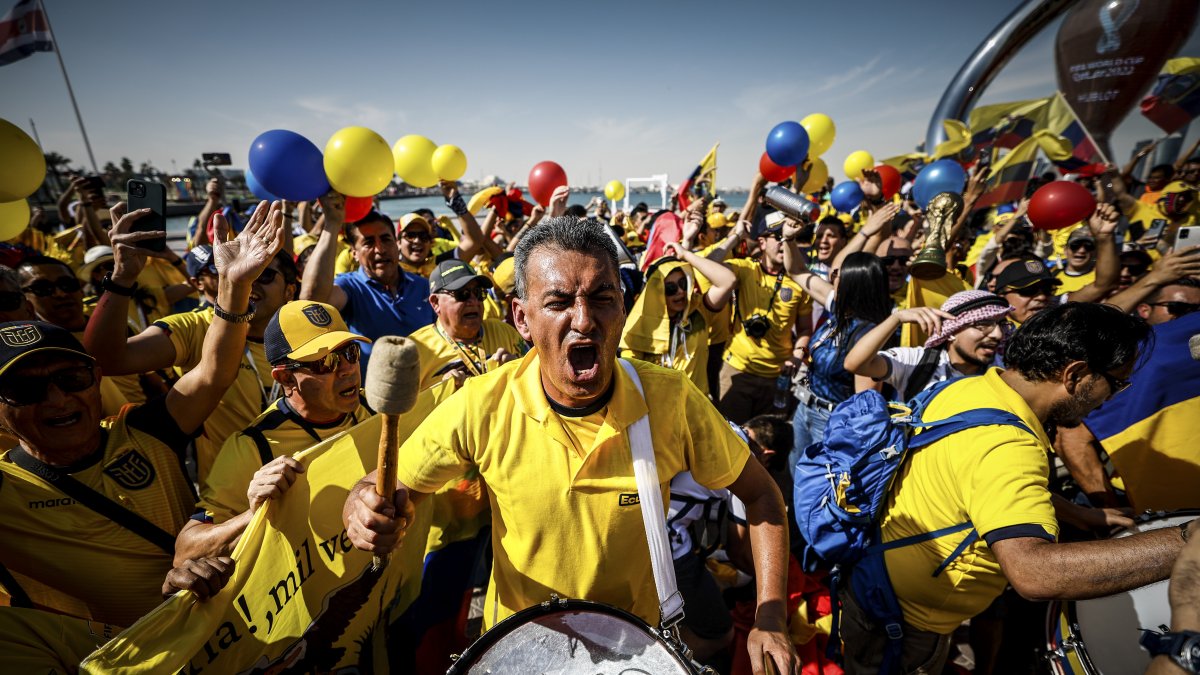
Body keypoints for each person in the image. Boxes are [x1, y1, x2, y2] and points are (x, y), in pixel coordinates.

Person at [343, 216, 798, 672]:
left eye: (602, 298)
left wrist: (772, 614)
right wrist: (363, 510)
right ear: (521, 318)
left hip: (633, 653)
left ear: (622, 306)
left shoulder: (672, 400)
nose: (585, 320)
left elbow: (761, 496)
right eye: (559, 302)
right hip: (518, 655)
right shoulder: (482, 405)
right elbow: (384, 487)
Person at [840, 302, 1196, 674]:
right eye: (1117, 382)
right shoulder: (1010, 444)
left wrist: (1080, 513)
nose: (1112, 397)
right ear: (1075, 374)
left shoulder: (968, 389)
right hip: (906, 628)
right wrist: (1187, 541)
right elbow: (1034, 573)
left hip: (874, 583)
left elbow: (981, 484)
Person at [0, 200, 286, 628]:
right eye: (27, 389)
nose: (58, 399)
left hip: (221, 632)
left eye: (72, 378)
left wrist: (233, 287)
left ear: (96, 378)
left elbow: (211, 376)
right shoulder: (7, 491)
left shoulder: (144, 430)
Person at [84, 213, 299, 485]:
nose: (252, 280)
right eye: (246, 271)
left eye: (264, 273)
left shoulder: (305, 332)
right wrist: (122, 277)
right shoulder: (196, 327)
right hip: (229, 493)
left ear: (289, 291)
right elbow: (105, 359)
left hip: (304, 482)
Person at [173, 300, 374, 563]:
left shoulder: (376, 406)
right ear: (286, 379)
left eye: (350, 352)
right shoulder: (253, 447)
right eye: (327, 361)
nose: (347, 368)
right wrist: (254, 514)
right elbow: (185, 553)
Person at [299, 193, 434, 372]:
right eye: (368, 243)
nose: (380, 249)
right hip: (372, 398)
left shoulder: (423, 286)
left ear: (396, 244)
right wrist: (332, 225)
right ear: (354, 253)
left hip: (429, 393)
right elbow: (311, 301)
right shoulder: (350, 287)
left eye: (386, 239)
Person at [708, 213, 812, 424]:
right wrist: (735, 237)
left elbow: (805, 330)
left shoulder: (799, 281)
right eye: (778, 237)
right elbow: (709, 264)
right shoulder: (745, 269)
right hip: (736, 372)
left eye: (787, 237)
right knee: (731, 439)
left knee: (768, 443)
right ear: (762, 242)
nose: (783, 243)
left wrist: (797, 354)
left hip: (778, 378)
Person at [844, 290, 1011, 400]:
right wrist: (896, 319)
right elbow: (856, 364)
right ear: (950, 331)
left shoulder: (1005, 371)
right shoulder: (918, 362)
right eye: (983, 325)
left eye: (1001, 325)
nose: (998, 334)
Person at [620, 241, 736, 393]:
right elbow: (631, 383)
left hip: (697, 408)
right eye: (670, 288)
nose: (680, 291)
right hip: (662, 412)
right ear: (655, 292)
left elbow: (728, 281)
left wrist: (686, 255)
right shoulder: (638, 329)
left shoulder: (698, 309)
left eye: (683, 283)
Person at [407, 260, 527, 390]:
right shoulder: (416, 350)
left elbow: (537, 379)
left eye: (478, 292)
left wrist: (518, 369)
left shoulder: (504, 331)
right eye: (462, 294)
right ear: (436, 303)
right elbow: (397, 409)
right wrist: (440, 393)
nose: (474, 301)